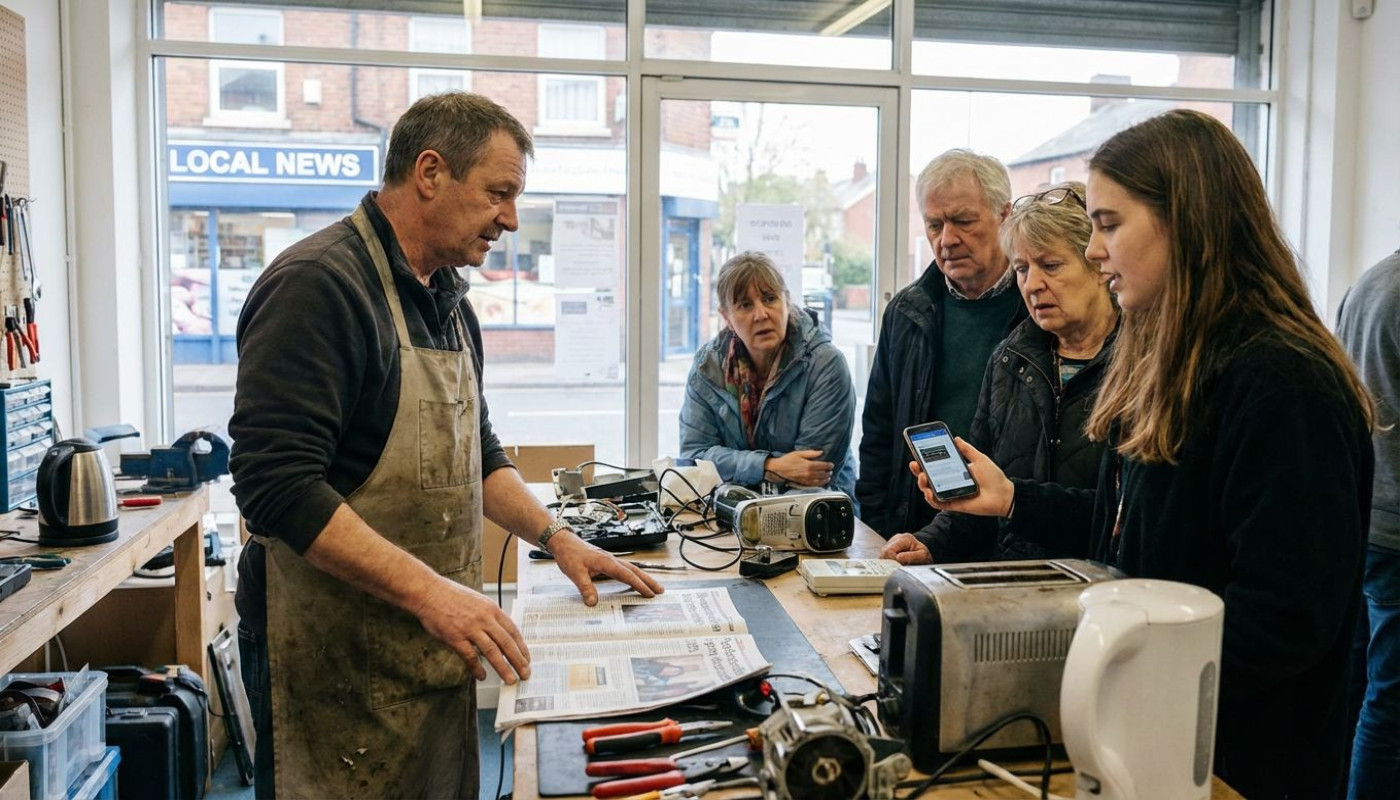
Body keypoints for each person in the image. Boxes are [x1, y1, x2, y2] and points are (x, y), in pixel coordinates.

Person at [914, 110, 1375, 799]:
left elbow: (1284, 621)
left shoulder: (1283, 380)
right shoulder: (1168, 359)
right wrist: (1014, 498)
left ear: (1186, 223)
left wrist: (1116, 668)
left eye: (1108, 224)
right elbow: (1128, 528)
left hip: (1231, 760)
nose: (1097, 253)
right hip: (1145, 735)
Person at [228, 92, 662, 799]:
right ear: (430, 173)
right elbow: (276, 489)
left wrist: (558, 538)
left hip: (427, 637)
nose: (512, 219)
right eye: (500, 193)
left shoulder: (446, 297)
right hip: (336, 651)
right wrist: (436, 595)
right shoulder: (319, 287)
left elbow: (479, 455)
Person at [881, 182, 1117, 565]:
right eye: (1022, 268)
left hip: (1107, 598)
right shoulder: (1010, 359)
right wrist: (932, 541)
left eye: (1051, 266)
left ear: (1100, 267)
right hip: (1015, 592)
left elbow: (1128, 515)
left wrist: (1013, 500)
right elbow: (983, 495)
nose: (1033, 284)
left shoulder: (1142, 367)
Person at [857, 149, 1027, 538]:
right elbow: (879, 432)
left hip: (1007, 531)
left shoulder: (1039, 309)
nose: (947, 239)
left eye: (964, 221)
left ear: (1005, 216)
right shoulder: (906, 312)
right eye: (934, 225)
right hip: (913, 529)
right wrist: (876, 525)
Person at [679, 252, 857, 498]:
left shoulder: (825, 365)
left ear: (787, 301)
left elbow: (812, 475)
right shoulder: (707, 367)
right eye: (745, 305)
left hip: (816, 517)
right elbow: (693, 459)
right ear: (726, 317)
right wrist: (768, 466)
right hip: (731, 514)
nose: (761, 314)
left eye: (769, 298)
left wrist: (734, 468)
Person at [1337, 248, 1400, 800]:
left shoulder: (1368, 283)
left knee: (1361, 692)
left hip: (1365, 520)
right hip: (1395, 531)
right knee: (1389, 706)